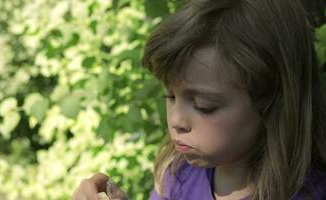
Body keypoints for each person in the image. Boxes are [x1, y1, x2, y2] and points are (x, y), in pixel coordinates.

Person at [72, 0, 326, 199]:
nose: (175, 120)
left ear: (272, 103)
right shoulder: (178, 170)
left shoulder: (308, 193)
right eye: (169, 96)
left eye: (204, 106)